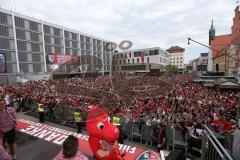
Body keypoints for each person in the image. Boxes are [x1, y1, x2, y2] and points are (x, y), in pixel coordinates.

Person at [0, 95, 17, 160]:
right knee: (1, 146)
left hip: (11, 130)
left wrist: (16, 122)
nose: (0, 105)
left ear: (5, 104)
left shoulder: (11, 110)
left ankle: (14, 157)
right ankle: (4, 154)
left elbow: (16, 117)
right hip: (1, 131)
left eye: (1, 104)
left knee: (12, 144)